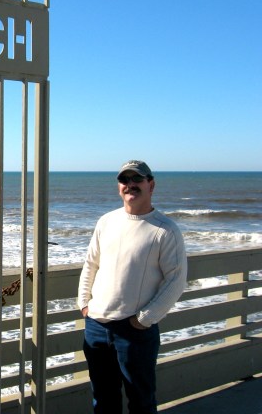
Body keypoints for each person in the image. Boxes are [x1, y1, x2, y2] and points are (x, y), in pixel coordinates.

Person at [77, 160, 187, 413]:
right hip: (96, 325)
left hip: (134, 330)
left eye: (137, 179)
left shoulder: (165, 229)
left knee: (141, 400)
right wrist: (84, 303)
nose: (130, 185)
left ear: (151, 185)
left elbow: (176, 279)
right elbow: (90, 264)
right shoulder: (106, 221)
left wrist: (144, 319)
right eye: (125, 180)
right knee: (103, 398)